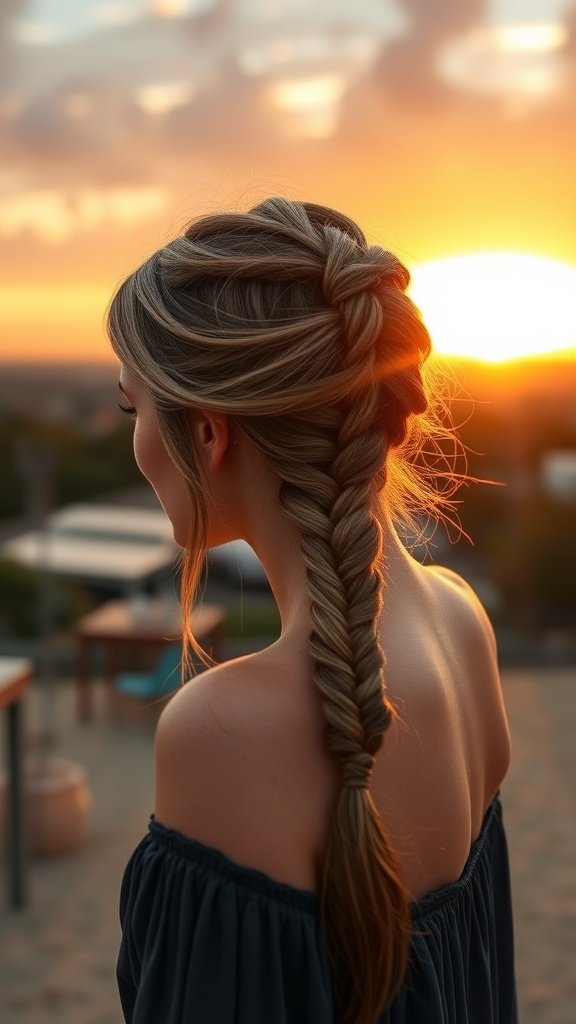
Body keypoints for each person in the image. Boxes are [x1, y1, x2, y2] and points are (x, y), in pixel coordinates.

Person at [108, 197, 517, 1024]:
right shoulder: (463, 623)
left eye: (132, 407)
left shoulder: (222, 729)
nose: (135, 438)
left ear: (209, 435)